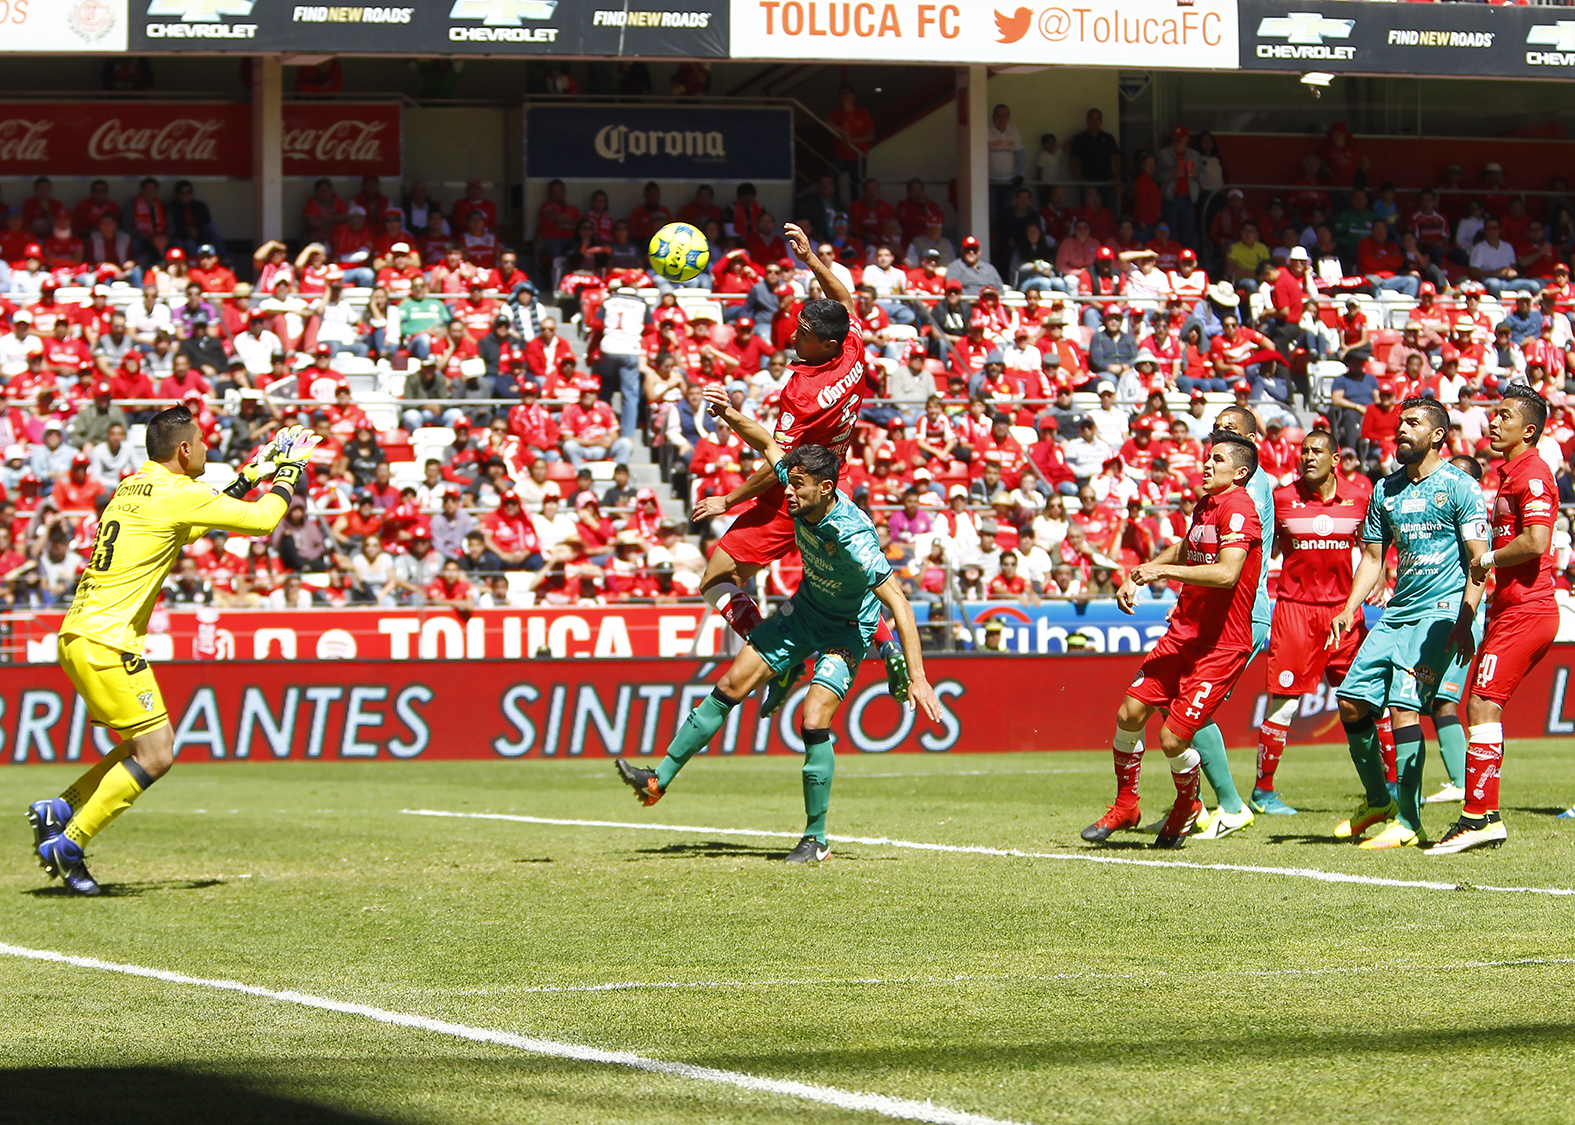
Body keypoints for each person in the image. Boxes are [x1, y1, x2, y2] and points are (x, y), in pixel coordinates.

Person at [615, 383, 942, 863]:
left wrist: (920, 678)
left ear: (824, 488)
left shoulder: (854, 538)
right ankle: (656, 780)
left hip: (846, 630)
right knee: (728, 686)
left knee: (813, 719)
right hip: (803, 612)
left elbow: (900, 603)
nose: (786, 490)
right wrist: (728, 413)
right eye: (788, 482)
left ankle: (816, 839)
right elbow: (768, 443)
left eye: (796, 486)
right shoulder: (800, 488)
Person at [24, 416, 321, 895]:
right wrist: (287, 472)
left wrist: (249, 475)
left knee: (138, 747)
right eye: (202, 442)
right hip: (109, 641)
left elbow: (192, 527)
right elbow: (263, 521)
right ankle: (69, 842)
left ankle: (61, 808)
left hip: (78, 635)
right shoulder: (176, 493)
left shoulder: (133, 488)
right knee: (158, 755)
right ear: (184, 450)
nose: (206, 449)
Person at [691, 221, 910, 712]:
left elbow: (777, 460)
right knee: (836, 579)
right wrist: (812, 261)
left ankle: (776, 654)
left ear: (826, 345)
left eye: (806, 334)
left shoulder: (803, 393)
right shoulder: (852, 348)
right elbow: (846, 300)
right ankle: (885, 643)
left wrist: (727, 498)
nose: (796, 334)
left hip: (794, 493)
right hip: (833, 485)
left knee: (717, 579)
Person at [1081, 433, 1263, 849]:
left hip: (1220, 644)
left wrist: (1162, 575)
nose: (1206, 464)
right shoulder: (1207, 505)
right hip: (1183, 633)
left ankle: (1187, 808)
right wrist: (1143, 569)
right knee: (1129, 713)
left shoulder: (1239, 509)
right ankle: (1127, 804)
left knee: (1173, 739)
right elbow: (1187, 546)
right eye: (1207, 457)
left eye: (1216, 459)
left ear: (1240, 472)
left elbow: (1226, 573)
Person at [1326, 398, 1489, 851]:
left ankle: (1411, 821)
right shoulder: (1385, 489)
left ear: (1438, 435)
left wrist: (1466, 618)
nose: (1400, 430)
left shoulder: (1460, 487)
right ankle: (1379, 801)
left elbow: (1480, 562)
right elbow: (1374, 558)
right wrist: (1349, 607)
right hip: (1397, 612)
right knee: (1351, 703)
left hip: (1442, 613)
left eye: (1412, 424)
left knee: (1404, 704)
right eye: (1399, 424)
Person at [1429, 388, 1559, 853]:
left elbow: (1538, 540)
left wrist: (1490, 561)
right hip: (1510, 609)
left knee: (1482, 704)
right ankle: (1483, 814)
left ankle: (1478, 817)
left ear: (1528, 430)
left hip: (1528, 608)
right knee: (1482, 706)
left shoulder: (1534, 474)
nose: (1493, 421)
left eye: (1504, 415)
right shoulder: (1511, 475)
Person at [1251, 430, 1367, 816]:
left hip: (1343, 613)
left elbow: (1375, 551)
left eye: (1317, 451)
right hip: (1295, 611)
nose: (1308, 457)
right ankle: (1263, 792)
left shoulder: (1361, 498)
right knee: (1283, 703)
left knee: (1362, 701)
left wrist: (1378, 584)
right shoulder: (1282, 499)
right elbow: (1260, 551)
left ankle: (1385, 787)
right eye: (1304, 451)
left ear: (1336, 459)